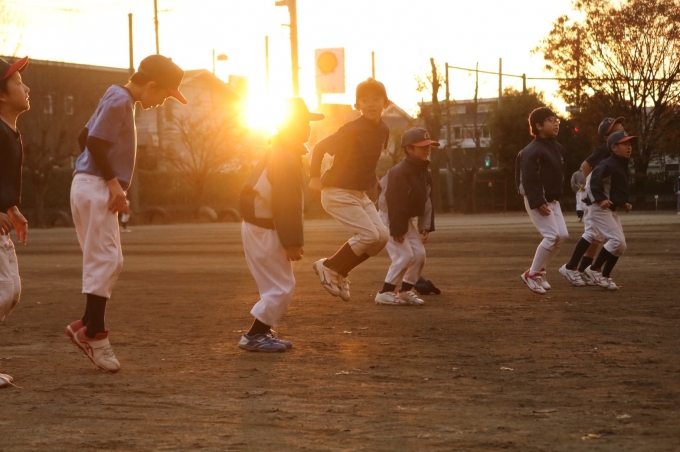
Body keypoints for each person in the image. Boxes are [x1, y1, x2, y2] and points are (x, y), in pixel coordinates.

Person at [65, 55, 187, 372]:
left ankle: (86, 325)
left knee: (108, 259)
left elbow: (83, 137)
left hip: (89, 184)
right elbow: (93, 141)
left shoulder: (116, 95)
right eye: (165, 95)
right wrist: (110, 182)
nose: (162, 102)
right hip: (95, 185)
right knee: (105, 259)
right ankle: (94, 334)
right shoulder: (121, 100)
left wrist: (100, 178)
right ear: (151, 85)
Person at [238, 98, 324, 352]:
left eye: (307, 123)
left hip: (262, 226)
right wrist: (292, 242)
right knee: (281, 288)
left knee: (275, 286)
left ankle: (261, 332)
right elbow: (287, 203)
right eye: (300, 123)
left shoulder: (283, 152)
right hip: (265, 228)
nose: (306, 128)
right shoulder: (284, 156)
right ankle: (254, 335)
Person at [309, 78, 391, 301]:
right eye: (365, 100)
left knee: (382, 237)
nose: (371, 104)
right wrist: (314, 176)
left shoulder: (384, 129)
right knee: (369, 235)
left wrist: (372, 178)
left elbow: (366, 159)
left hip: (358, 194)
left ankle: (340, 271)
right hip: (337, 192)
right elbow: (319, 147)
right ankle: (328, 266)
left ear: (386, 103)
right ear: (357, 106)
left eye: (376, 99)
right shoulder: (352, 129)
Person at [559, 117, 624, 286]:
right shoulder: (605, 149)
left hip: (599, 198)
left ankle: (582, 270)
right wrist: (592, 187)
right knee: (593, 234)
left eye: (622, 129)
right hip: (594, 198)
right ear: (606, 137)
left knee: (596, 235)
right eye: (617, 131)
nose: (622, 133)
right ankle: (574, 267)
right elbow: (585, 165)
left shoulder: (615, 152)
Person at [374, 127, 435, 306]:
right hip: (388, 217)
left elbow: (427, 200)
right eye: (422, 146)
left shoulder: (424, 172)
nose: (427, 149)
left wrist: (425, 225)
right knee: (404, 255)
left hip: (402, 219)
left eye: (429, 146)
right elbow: (395, 202)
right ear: (409, 149)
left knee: (419, 254)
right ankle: (385, 293)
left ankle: (405, 291)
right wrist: (397, 229)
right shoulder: (398, 172)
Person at [0, 56, 29, 389]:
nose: (27, 87)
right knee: (5, 290)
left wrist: (11, 208)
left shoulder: (9, 130)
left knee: (11, 291)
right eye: (18, 83)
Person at [515, 107, 567, 295]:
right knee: (552, 236)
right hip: (537, 199)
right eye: (550, 120)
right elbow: (528, 178)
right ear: (538, 126)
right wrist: (537, 200)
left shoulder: (557, 148)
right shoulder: (531, 150)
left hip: (552, 200)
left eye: (556, 120)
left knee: (562, 235)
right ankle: (531, 275)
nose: (556, 123)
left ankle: (539, 271)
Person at [583, 130, 636, 290]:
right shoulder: (607, 164)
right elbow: (592, 181)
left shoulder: (622, 164)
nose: (629, 147)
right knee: (616, 241)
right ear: (614, 147)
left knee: (621, 245)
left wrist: (624, 202)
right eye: (625, 144)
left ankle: (605, 275)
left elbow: (618, 188)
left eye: (630, 144)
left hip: (610, 209)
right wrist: (600, 199)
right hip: (599, 208)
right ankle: (594, 270)